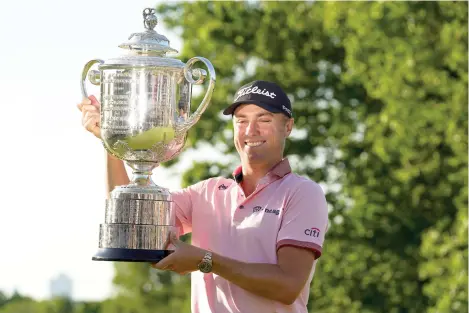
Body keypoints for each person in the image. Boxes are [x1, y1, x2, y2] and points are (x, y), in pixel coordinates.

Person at [77, 80, 329, 313]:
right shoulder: (207, 192)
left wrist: (205, 260)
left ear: (288, 126)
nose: (251, 130)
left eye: (264, 119)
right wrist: (111, 143)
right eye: (241, 120)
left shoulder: (302, 193)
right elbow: (130, 223)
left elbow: (287, 285)